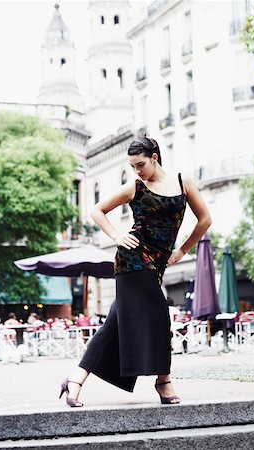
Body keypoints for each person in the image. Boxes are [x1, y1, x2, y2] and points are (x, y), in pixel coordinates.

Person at [60, 136, 211, 407]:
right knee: (160, 316)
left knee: (111, 326)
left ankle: (75, 379)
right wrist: (117, 236)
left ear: (155, 157)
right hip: (133, 260)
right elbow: (97, 210)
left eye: (140, 164)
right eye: (132, 166)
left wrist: (183, 250)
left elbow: (205, 220)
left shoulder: (182, 181)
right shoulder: (135, 187)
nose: (137, 170)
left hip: (159, 262)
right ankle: (163, 381)